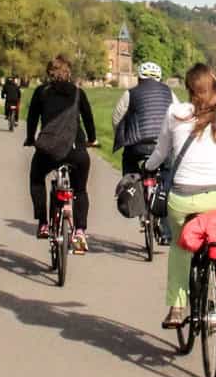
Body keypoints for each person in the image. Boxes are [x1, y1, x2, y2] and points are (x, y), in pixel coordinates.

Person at [145, 62, 216, 327]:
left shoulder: (175, 113)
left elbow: (161, 152)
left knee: (180, 246)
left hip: (185, 199)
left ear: (189, 88)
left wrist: (148, 167)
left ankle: (176, 308)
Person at [24, 55, 98, 253]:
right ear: (69, 73)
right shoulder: (77, 93)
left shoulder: (41, 92)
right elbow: (88, 119)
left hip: (48, 150)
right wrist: (92, 139)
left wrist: (30, 138)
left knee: (37, 179)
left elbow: (32, 119)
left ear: (49, 73)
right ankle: (80, 232)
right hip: (76, 150)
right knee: (80, 190)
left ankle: (43, 223)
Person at [112, 61, 177, 179]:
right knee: (168, 172)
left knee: (129, 163)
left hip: (137, 146)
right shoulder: (170, 92)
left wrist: (120, 134)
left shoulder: (130, 93)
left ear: (139, 78)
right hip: (163, 145)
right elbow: (178, 116)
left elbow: (117, 117)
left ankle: (128, 190)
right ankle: (166, 191)